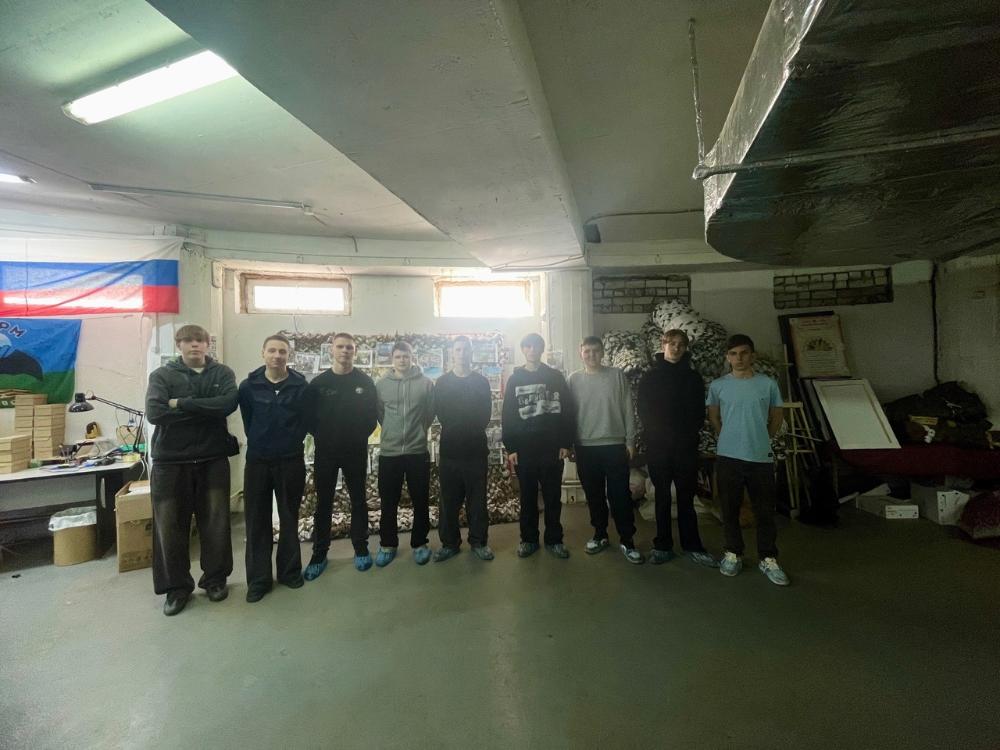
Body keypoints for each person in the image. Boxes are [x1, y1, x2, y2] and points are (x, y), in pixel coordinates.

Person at [145, 324, 238, 616]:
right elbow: (156, 413)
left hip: (212, 459)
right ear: (179, 345)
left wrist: (181, 404)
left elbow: (227, 404)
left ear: (208, 344)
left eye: (200, 340)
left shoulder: (222, 373)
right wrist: (205, 410)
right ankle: (176, 588)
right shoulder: (161, 376)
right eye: (188, 341)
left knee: (216, 522)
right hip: (170, 462)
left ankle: (215, 579)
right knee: (169, 527)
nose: (195, 345)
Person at [707, 334, 789, 586]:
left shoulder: (768, 384)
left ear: (752, 355)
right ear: (727, 358)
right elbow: (714, 417)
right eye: (733, 354)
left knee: (764, 511)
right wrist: (728, 437)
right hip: (728, 457)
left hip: (760, 458)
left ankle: (768, 557)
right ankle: (733, 553)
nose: (739, 358)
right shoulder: (718, 386)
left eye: (743, 353)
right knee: (729, 509)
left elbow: (777, 417)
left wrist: (762, 439)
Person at [637, 329, 717, 568]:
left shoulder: (693, 378)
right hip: (659, 447)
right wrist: (659, 436)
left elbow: (699, 413)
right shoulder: (650, 378)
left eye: (681, 344)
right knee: (661, 497)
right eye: (672, 343)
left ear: (685, 348)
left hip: (685, 447)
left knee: (686, 497)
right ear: (663, 345)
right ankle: (662, 546)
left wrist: (686, 436)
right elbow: (643, 411)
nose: (676, 348)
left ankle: (692, 545)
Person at [237, 333, 308, 603]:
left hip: (290, 460)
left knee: (290, 517)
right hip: (258, 461)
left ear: (289, 355)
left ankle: (289, 572)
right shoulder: (248, 386)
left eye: (282, 351)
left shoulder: (301, 386)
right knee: (257, 520)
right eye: (272, 351)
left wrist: (290, 440)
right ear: (263, 353)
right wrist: (262, 440)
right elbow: (248, 420)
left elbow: (305, 420)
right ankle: (259, 580)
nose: (277, 356)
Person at [300, 333, 378, 576]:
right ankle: (319, 554)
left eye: (350, 347)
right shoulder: (318, 384)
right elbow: (308, 418)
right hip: (326, 452)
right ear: (331, 351)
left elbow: (372, 417)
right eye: (340, 347)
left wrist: (356, 437)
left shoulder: (365, 382)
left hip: (355, 451)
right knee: (323, 502)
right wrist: (326, 437)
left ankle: (361, 548)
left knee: (359, 500)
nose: (345, 351)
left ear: (355, 352)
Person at [567, 336, 644, 564]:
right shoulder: (573, 380)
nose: (591, 355)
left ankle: (627, 540)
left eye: (596, 351)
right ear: (581, 353)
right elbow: (568, 415)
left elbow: (628, 408)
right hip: (585, 447)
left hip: (614, 445)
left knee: (620, 495)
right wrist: (570, 443)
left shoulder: (616, 376)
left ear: (602, 353)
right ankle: (600, 534)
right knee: (594, 495)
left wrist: (630, 441)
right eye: (587, 351)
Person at [501, 333, 575, 559]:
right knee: (528, 498)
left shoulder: (555, 377)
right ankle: (529, 540)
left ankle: (554, 540)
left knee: (553, 497)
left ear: (542, 350)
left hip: (552, 448)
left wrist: (566, 442)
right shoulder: (515, 379)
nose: (532, 350)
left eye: (536, 346)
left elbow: (568, 410)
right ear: (523, 350)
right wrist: (511, 447)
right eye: (528, 346)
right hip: (525, 451)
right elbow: (508, 415)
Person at [433, 336, 494, 562]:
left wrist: (469, 428)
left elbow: (486, 414)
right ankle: (450, 543)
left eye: (466, 349)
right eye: (458, 349)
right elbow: (440, 413)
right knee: (448, 501)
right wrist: (457, 427)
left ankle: (479, 542)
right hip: (450, 451)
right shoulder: (442, 383)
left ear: (471, 353)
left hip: (476, 451)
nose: (462, 353)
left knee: (477, 501)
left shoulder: (481, 382)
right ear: (452, 353)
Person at [374, 341, 434, 567]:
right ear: (392, 359)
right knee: (389, 502)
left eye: (406, 356)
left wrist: (418, 431)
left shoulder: (426, 384)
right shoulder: (381, 385)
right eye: (398, 356)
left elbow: (429, 413)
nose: (402, 360)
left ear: (412, 357)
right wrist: (393, 432)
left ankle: (420, 543)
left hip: (417, 451)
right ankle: (388, 545)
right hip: (390, 453)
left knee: (420, 500)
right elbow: (380, 414)